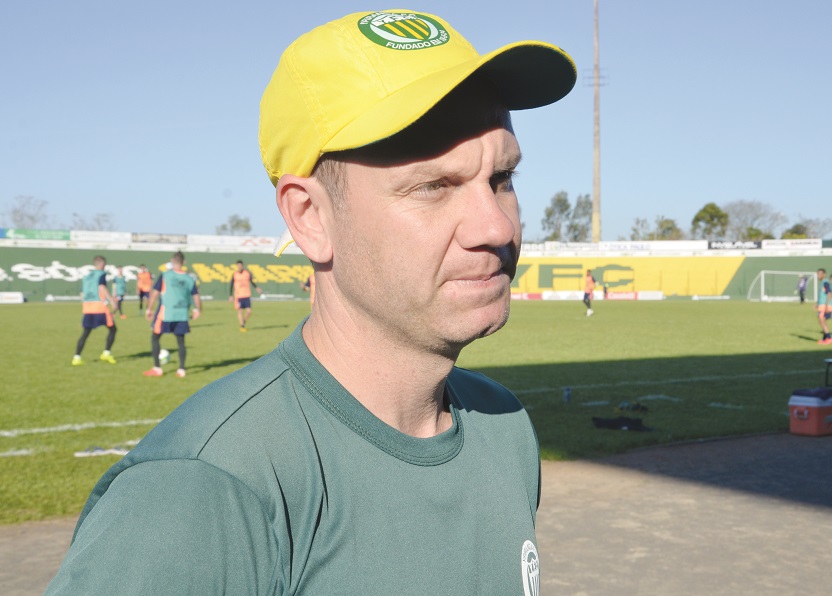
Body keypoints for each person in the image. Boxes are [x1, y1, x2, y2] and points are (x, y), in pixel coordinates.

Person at [47, 9, 575, 594]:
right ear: (310, 218)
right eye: (433, 186)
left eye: (502, 179)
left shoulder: (504, 428)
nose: (496, 227)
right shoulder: (202, 489)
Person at [142, 251, 201, 378]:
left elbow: (155, 293)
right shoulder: (189, 278)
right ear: (184, 262)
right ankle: (181, 370)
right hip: (182, 314)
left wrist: (149, 309)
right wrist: (197, 310)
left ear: (172, 261)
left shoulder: (165, 275)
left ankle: (157, 368)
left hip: (166, 314)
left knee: (155, 338)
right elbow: (196, 296)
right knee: (181, 342)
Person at [71, 255, 118, 366]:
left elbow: (82, 294)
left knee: (85, 333)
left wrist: (85, 306)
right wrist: (111, 301)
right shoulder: (101, 274)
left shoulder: (87, 277)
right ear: (102, 264)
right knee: (113, 329)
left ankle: (76, 357)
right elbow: (102, 287)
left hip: (87, 307)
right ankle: (106, 353)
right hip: (100, 307)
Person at [229, 259, 262, 332]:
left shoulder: (247, 273)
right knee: (240, 311)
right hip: (238, 296)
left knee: (249, 311)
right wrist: (230, 295)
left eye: (240, 265)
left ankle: (243, 321)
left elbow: (251, 281)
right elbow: (231, 285)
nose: (239, 267)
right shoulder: (235, 274)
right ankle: (242, 326)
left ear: (242, 266)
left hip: (247, 295)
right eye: (238, 266)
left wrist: (257, 287)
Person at [815, 268, 832, 345]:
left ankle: (829, 338)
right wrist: (817, 303)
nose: (818, 275)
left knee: (821, 321)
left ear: (824, 275)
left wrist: (826, 305)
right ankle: (825, 339)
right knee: (823, 321)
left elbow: (829, 293)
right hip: (822, 305)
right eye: (817, 274)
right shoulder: (822, 283)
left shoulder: (825, 282)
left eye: (820, 274)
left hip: (824, 306)